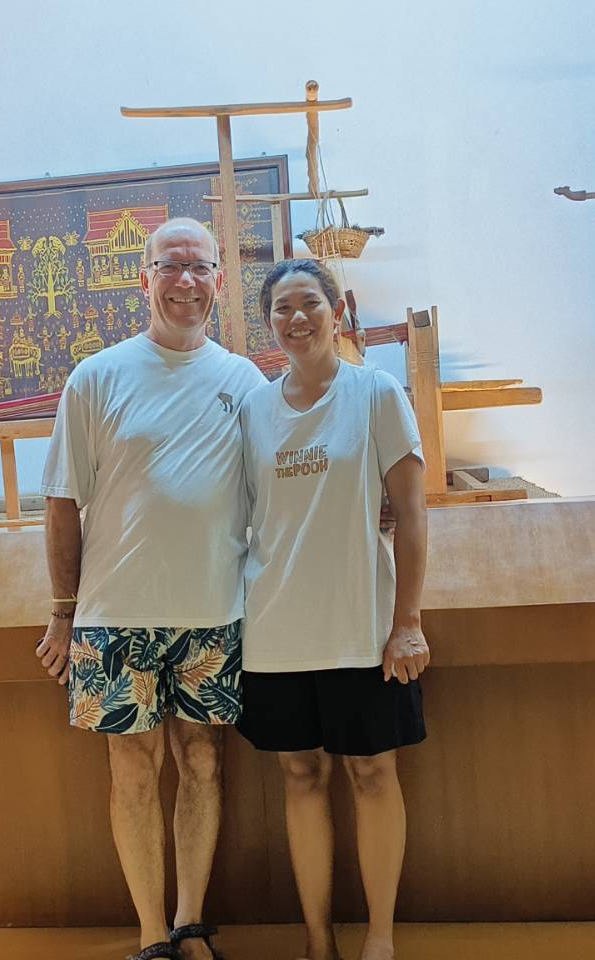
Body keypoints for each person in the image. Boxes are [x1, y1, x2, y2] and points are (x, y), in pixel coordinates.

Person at [37, 218, 266, 960]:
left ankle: (190, 923)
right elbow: (62, 502)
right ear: (145, 279)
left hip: (214, 612)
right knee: (133, 770)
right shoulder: (96, 377)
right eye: (170, 266)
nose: (185, 281)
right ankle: (150, 935)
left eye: (200, 267)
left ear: (219, 282)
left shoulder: (244, 382)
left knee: (203, 761)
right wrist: (63, 613)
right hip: (115, 615)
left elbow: (281, 488)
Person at [235, 259, 431, 960]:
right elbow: (242, 519)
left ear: (336, 311)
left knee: (372, 774)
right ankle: (318, 940)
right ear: (269, 324)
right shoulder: (252, 410)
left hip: (361, 627)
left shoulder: (375, 393)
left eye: (309, 303)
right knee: (301, 775)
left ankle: (379, 937)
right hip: (275, 630)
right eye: (282, 309)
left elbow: (412, 515)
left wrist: (407, 623)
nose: (297, 318)